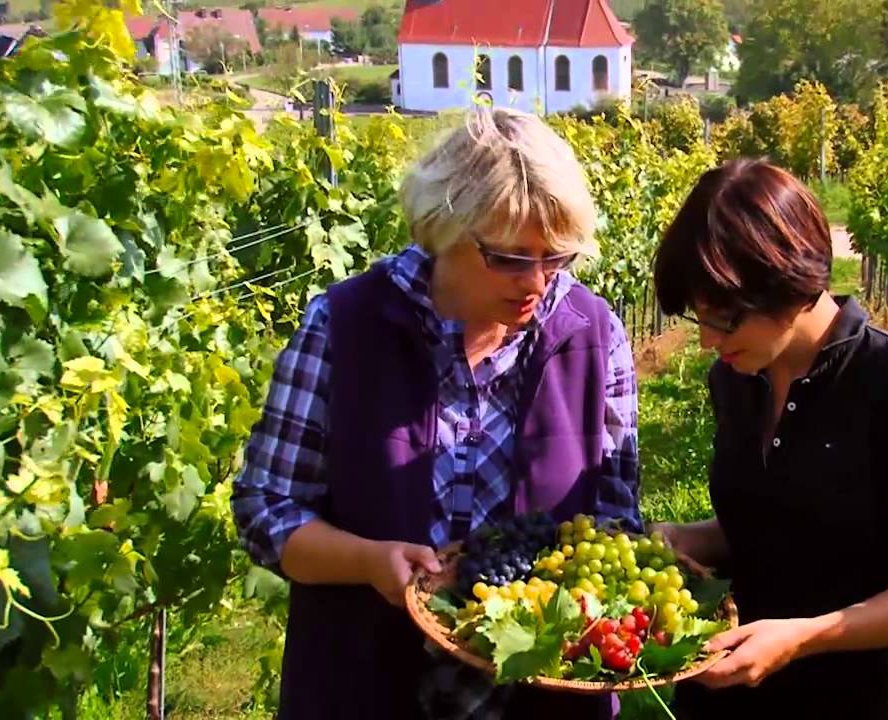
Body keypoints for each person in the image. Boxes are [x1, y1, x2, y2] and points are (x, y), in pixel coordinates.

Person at [231, 107, 642, 719]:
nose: (537, 282)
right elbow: (266, 507)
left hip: (544, 704)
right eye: (509, 257)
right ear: (446, 227)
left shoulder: (593, 335)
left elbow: (613, 518)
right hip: (367, 688)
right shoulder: (343, 328)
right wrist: (367, 562)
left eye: (555, 258)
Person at [649, 158, 888, 719]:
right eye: (699, 319)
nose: (705, 342)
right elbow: (775, 522)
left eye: (721, 319)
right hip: (718, 691)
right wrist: (687, 537)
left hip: (842, 700)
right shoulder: (735, 377)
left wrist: (801, 637)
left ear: (787, 283)